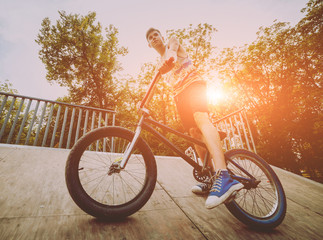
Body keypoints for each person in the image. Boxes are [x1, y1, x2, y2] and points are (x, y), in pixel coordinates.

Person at [145, 28, 243, 209]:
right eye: (150, 38)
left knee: (201, 117)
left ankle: (224, 176)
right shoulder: (159, 64)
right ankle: (212, 177)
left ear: (161, 36)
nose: (154, 38)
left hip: (194, 85)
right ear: (149, 44)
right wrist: (142, 102)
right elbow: (154, 83)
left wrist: (170, 59)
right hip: (179, 96)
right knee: (193, 134)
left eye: (156, 34)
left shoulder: (171, 42)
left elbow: (172, 55)